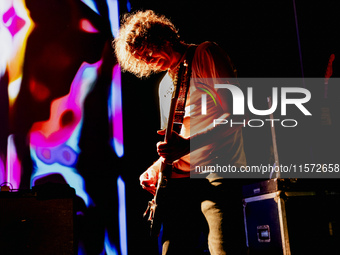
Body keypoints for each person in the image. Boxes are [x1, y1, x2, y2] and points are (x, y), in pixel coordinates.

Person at [114, 10, 248, 255]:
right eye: (141, 58)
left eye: (148, 50)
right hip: (179, 180)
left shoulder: (205, 53)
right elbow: (176, 140)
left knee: (223, 248)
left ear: (162, 38)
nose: (148, 60)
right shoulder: (164, 85)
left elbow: (237, 116)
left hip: (216, 170)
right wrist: (156, 167)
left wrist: (187, 146)